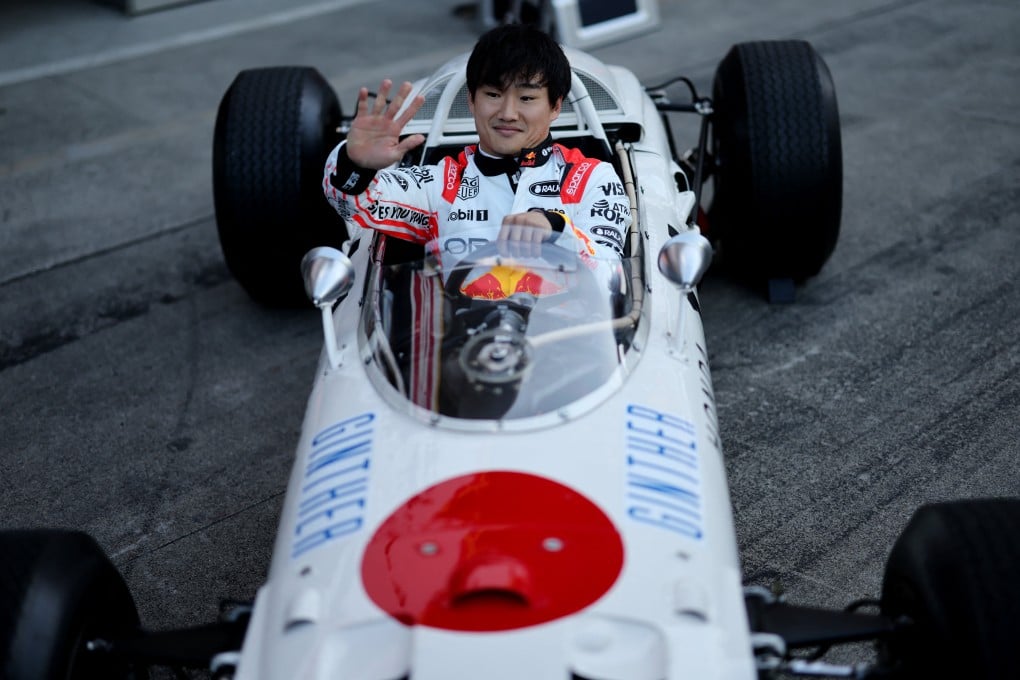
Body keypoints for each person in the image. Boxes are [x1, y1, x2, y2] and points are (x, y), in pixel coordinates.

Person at [322, 22, 632, 300]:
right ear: (472, 100)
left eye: (526, 98)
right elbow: (354, 204)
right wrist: (356, 163)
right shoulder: (440, 184)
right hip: (459, 351)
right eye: (494, 94)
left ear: (554, 107)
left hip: (575, 346)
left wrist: (556, 229)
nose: (508, 113)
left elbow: (611, 277)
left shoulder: (592, 178)